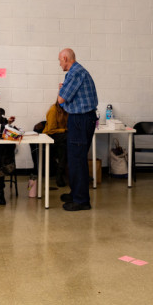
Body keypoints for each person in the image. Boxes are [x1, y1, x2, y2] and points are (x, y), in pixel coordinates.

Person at [57, 48, 98, 211]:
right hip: (81, 119)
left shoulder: (74, 73)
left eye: (60, 60)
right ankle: (76, 193)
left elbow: (61, 99)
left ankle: (81, 200)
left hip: (80, 119)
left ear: (65, 58)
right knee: (75, 158)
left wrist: (61, 91)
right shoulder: (78, 71)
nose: (59, 64)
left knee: (77, 160)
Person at [31, 102, 68, 187]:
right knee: (68, 138)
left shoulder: (67, 111)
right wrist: (64, 130)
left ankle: (61, 173)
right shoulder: (53, 110)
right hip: (49, 136)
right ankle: (60, 174)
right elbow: (50, 130)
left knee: (63, 146)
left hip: (60, 137)